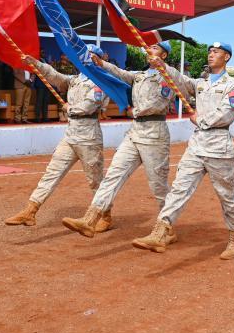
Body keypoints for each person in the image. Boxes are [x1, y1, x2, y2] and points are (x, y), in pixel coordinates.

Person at [132, 42, 234, 260]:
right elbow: (180, 81)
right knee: (179, 189)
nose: (211, 54)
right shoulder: (200, 83)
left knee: (227, 196)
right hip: (196, 145)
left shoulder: (233, 85)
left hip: (219, 146)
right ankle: (161, 230)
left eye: (217, 52)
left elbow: (228, 112)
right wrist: (162, 65)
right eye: (210, 51)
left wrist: (200, 120)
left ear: (227, 57)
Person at [62, 41, 178, 238]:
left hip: (154, 134)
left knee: (158, 186)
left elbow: (160, 101)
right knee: (113, 175)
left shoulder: (169, 75)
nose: (150, 50)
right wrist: (101, 64)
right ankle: (90, 218)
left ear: (164, 55)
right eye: (149, 48)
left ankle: (166, 229)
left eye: (155, 48)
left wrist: (136, 110)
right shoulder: (140, 76)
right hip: (134, 133)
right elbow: (122, 74)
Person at [4, 45, 112, 228]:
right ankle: (30, 211)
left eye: (90, 56)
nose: (84, 58)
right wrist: (36, 64)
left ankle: (106, 216)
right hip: (71, 135)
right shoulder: (76, 80)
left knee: (95, 180)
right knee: (51, 172)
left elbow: (91, 104)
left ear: (98, 60)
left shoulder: (101, 81)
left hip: (89, 136)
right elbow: (56, 77)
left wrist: (70, 108)